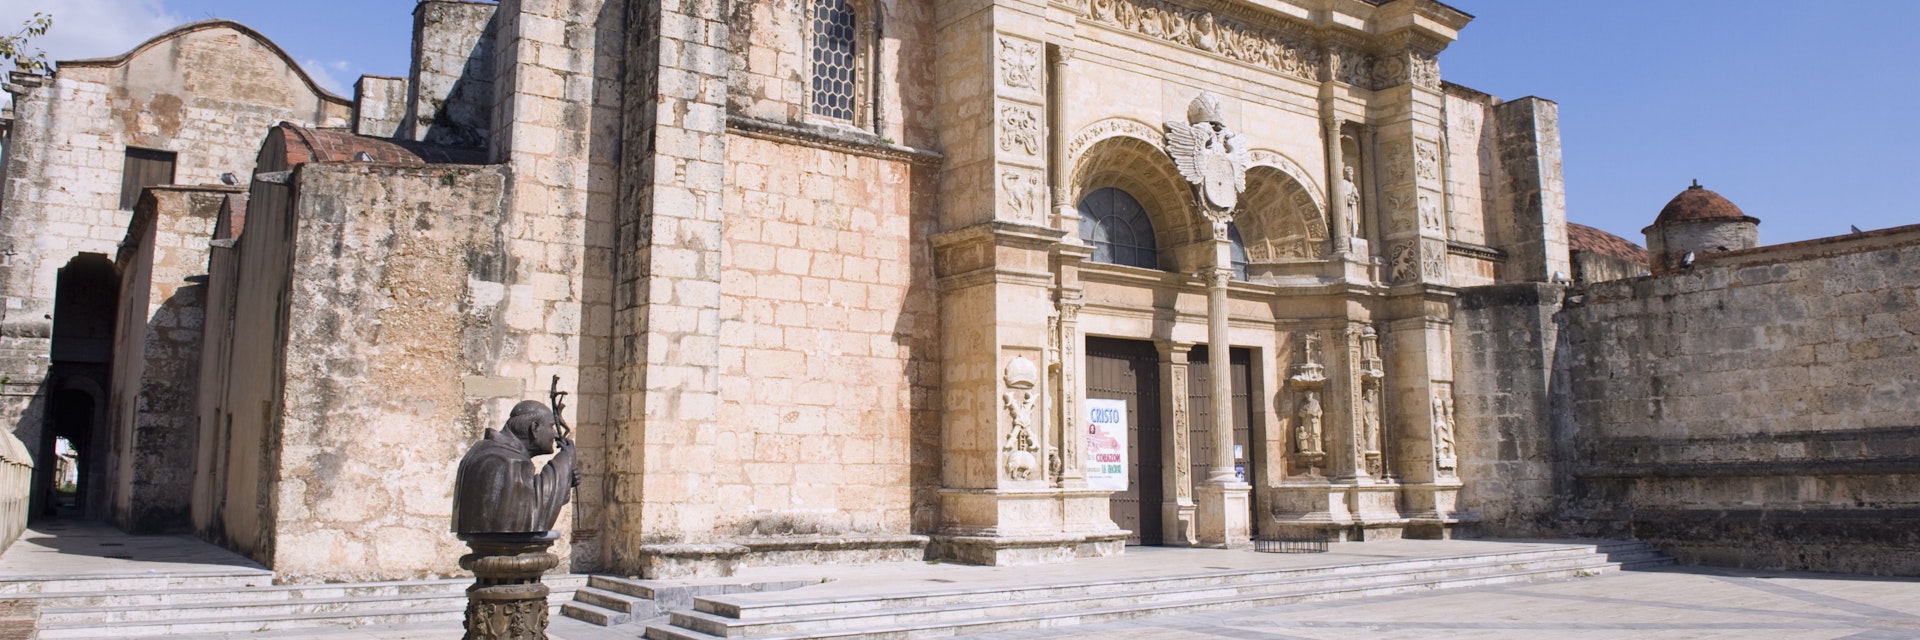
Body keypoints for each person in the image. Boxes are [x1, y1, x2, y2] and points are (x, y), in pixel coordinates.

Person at [452, 400, 579, 535]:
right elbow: (533, 516)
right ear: (534, 428)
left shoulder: (484, 450)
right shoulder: (506, 461)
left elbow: (524, 494)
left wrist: (566, 480)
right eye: (551, 426)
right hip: (505, 551)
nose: (554, 434)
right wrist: (566, 459)